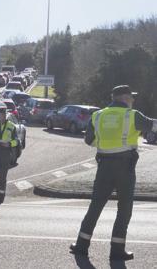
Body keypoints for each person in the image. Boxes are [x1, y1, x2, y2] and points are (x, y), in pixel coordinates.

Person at [70, 85, 157, 261]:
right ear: (125, 98)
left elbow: (89, 140)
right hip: (125, 168)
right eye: (131, 97)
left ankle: (81, 246)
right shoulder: (132, 115)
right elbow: (152, 126)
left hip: (103, 167)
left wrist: (106, 146)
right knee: (124, 209)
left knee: (95, 207)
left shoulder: (98, 115)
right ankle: (117, 250)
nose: (133, 100)